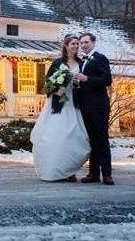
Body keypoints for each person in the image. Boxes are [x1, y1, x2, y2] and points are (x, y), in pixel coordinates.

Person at [30, 34, 91, 182]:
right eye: (73, 44)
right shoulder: (57, 63)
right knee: (55, 136)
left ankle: (69, 170)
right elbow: (46, 84)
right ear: (66, 46)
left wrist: (78, 84)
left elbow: (86, 82)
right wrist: (56, 90)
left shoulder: (82, 63)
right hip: (58, 103)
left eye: (77, 44)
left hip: (74, 103)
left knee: (74, 137)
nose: (76, 46)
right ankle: (54, 169)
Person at [74, 32, 114, 185]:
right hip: (85, 105)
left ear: (93, 42)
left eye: (86, 42)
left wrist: (87, 78)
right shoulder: (82, 61)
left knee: (102, 139)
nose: (83, 45)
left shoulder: (99, 58)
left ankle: (107, 174)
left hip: (99, 106)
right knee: (92, 140)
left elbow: (107, 80)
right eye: (81, 43)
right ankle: (93, 173)